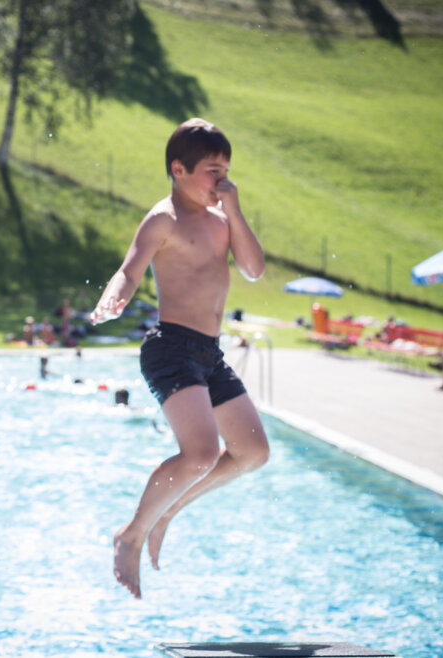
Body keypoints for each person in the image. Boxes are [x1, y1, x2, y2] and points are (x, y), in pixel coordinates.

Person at [89, 118, 269, 599]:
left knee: (253, 452)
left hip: (209, 354)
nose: (222, 180)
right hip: (171, 347)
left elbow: (253, 269)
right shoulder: (163, 218)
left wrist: (234, 208)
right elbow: (129, 269)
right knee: (203, 453)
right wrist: (115, 298)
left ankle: (167, 510)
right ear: (179, 168)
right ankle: (130, 534)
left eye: (227, 170)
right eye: (213, 171)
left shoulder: (222, 220)